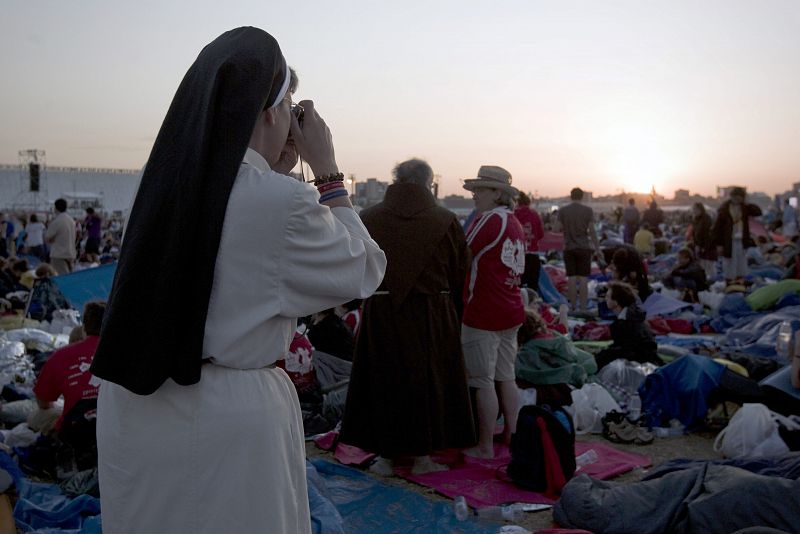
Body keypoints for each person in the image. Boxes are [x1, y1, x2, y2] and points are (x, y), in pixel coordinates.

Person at [90, 27, 386, 534]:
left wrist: (273, 168)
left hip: (138, 406)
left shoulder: (159, 180)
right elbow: (363, 269)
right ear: (269, 112)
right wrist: (329, 174)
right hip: (228, 414)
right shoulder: (281, 201)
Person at [340, 158, 475, 475]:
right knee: (426, 382)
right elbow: (460, 269)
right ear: (428, 183)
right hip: (431, 313)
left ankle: (386, 457)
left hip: (383, 312)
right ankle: (422, 459)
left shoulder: (369, 218)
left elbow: (354, 266)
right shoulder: (445, 220)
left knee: (384, 378)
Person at [460, 165, 525, 458]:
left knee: (482, 381)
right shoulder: (514, 221)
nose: (475, 195)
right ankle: (513, 433)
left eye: (480, 190)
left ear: (497, 193)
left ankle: (485, 445)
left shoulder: (488, 220)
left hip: (484, 311)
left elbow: (463, 254)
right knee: (506, 376)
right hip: (511, 309)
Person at [34, 301, 106, 432]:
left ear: (84, 328)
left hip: (75, 432)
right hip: (119, 429)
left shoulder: (61, 356)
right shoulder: (126, 354)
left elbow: (43, 402)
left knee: (35, 417)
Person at [594, 282, 659, 370]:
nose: (605, 299)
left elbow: (626, 349)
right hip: (643, 356)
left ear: (616, 301)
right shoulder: (631, 316)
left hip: (640, 361)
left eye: (608, 297)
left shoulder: (626, 322)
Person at [557, 187, 602, 314]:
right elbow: (592, 231)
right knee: (583, 279)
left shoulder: (563, 211)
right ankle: (583, 308)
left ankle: (572, 308)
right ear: (582, 197)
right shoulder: (588, 210)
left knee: (571, 278)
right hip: (584, 247)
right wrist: (597, 248)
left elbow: (556, 228)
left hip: (569, 247)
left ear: (571, 196)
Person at [711, 187, 763, 285]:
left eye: (740, 197)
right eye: (735, 196)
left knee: (741, 263)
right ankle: (730, 283)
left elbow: (757, 212)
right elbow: (717, 229)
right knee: (729, 263)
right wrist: (719, 244)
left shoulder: (745, 208)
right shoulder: (724, 209)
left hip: (741, 239)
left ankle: (740, 284)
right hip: (729, 240)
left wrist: (747, 202)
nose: (737, 199)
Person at [514, 191, 545, 293]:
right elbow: (540, 234)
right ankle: (532, 307)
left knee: (517, 288)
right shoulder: (535, 215)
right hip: (533, 255)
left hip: (517, 257)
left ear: (517, 203)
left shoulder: (513, 215)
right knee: (533, 288)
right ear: (528, 202)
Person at [45, 199, 76, 275]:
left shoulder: (57, 220)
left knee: (60, 278)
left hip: (58, 255)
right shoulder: (71, 220)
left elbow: (47, 237)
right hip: (70, 254)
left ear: (56, 208)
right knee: (69, 277)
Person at [690, 202, 716, 280]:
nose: (694, 211)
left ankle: (712, 282)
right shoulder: (695, 220)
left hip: (708, 246)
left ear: (701, 209)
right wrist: (696, 245)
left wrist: (703, 246)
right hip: (699, 246)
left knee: (709, 266)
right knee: (702, 266)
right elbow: (695, 234)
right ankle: (704, 281)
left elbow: (708, 235)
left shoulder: (706, 219)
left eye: (695, 209)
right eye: (693, 209)